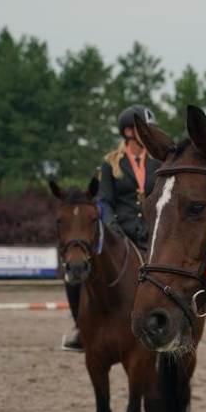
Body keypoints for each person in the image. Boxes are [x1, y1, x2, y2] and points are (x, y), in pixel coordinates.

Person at [62, 104, 163, 352]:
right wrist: (113, 226)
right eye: (144, 129)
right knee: (78, 270)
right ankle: (80, 327)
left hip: (153, 230)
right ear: (128, 132)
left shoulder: (159, 162)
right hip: (121, 232)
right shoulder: (110, 163)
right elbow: (104, 200)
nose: (149, 134)